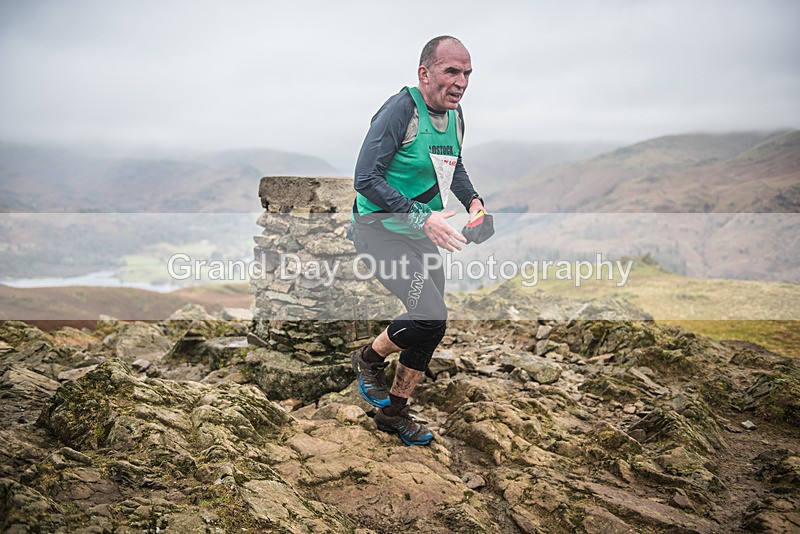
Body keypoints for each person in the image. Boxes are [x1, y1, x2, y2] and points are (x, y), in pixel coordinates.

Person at [349, 36, 486, 446]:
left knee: (430, 324)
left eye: (467, 74)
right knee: (430, 315)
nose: (461, 82)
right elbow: (365, 179)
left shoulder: (456, 116)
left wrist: (475, 202)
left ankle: (393, 413)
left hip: (419, 231)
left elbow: (452, 166)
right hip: (379, 232)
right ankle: (368, 358)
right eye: (451, 71)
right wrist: (421, 217)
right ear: (425, 73)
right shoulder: (400, 110)